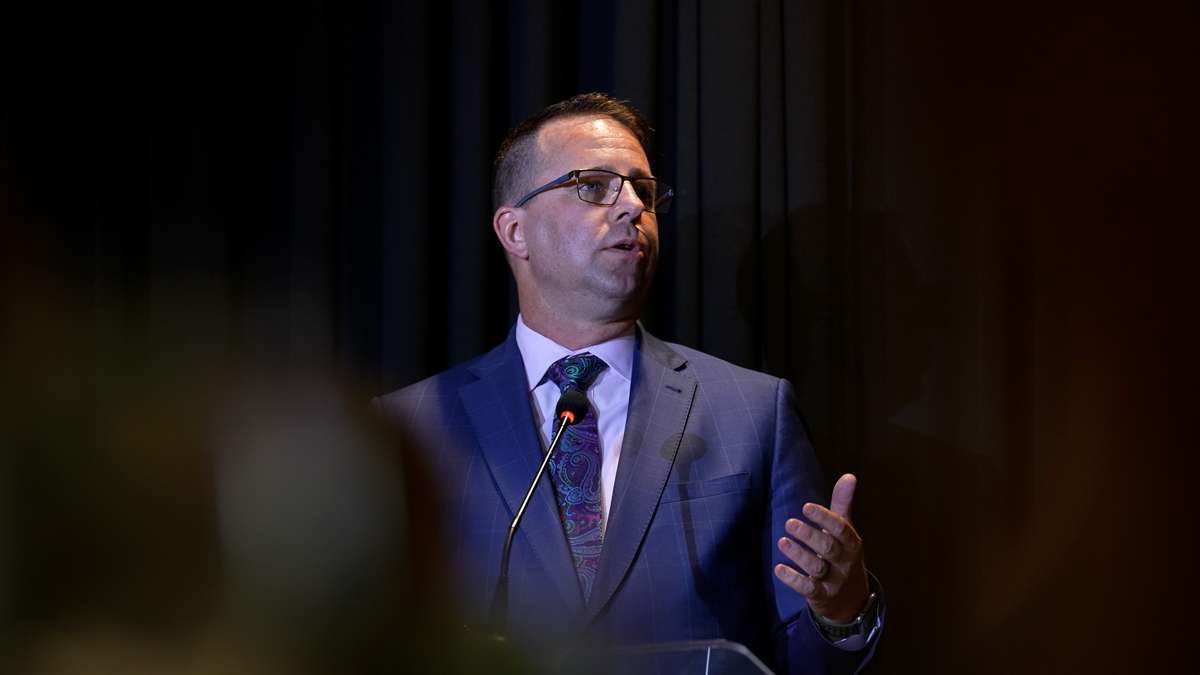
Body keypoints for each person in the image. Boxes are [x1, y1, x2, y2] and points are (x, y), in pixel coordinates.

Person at [376, 93, 884, 674]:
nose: (632, 208)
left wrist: (841, 613)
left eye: (643, 190)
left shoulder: (754, 413)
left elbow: (807, 656)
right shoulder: (411, 425)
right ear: (514, 231)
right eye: (594, 186)